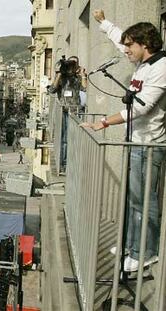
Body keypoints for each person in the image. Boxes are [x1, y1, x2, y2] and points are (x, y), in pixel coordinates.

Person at [82, 9, 166, 272]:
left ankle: (146, 252)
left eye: (131, 46)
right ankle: (131, 245)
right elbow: (121, 41)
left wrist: (104, 122)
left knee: (144, 202)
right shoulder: (143, 63)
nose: (126, 50)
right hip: (136, 141)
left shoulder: (161, 67)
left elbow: (142, 108)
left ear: (145, 44)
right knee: (133, 200)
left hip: (147, 143)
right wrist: (103, 23)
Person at [48, 55, 88, 173]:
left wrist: (83, 76)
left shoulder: (77, 78)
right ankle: (64, 163)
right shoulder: (62, 78)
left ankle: (74, 162)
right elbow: (52, 90)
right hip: (64, 111)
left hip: (76, 111)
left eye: (73, 64)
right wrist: (59, 74)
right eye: (69, 64)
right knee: (65, 139)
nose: (71, 67)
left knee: (75, 138)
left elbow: (85, 89)